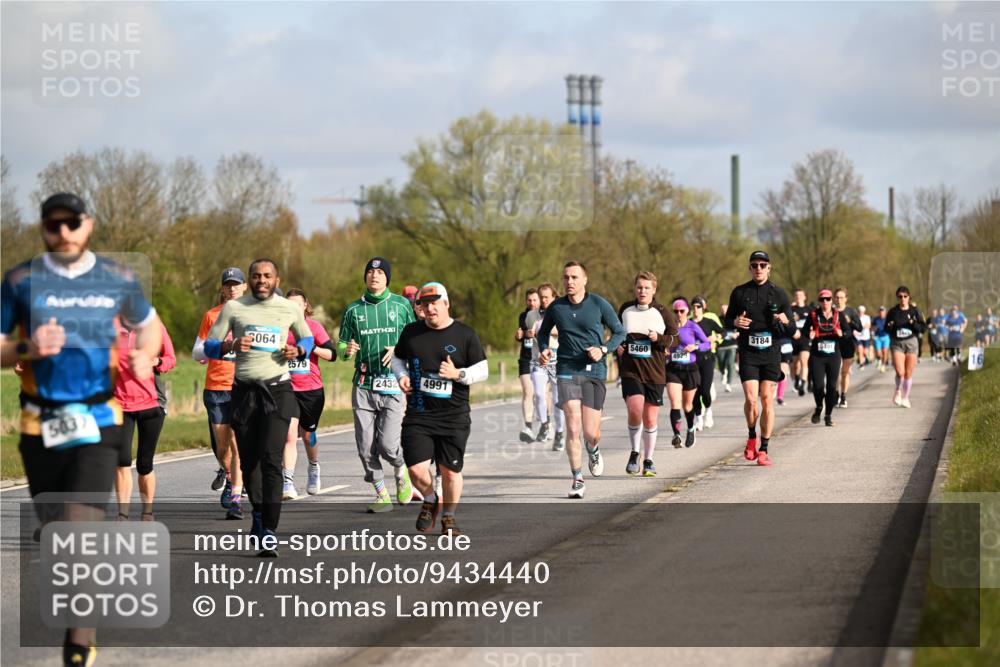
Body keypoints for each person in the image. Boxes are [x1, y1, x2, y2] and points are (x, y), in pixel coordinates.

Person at [1, 192, 162, 666]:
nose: (64, 232)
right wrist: (27, 348)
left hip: (99, 419)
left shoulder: (117, 279)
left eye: (72, 222)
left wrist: (145, 357)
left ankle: (78, 644)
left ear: (87, 224)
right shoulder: (19, 281)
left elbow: (149, 326)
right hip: (39, 424)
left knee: (77, 534)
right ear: (43, 229)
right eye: (54, 225)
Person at [204, 258, 314, 557]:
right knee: (250, 461)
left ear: (276, 279)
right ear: (249, 280)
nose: (261, 280)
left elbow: (308, 336)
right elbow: (208, 346)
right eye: (256, 276)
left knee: (271, 458)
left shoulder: (289, 308)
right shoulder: (234, 309)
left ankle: (269, 529)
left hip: (278, 391)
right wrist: (230, 346)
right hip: (244, 394)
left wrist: (299, 349)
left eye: (267, 275)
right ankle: (258, 513)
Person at [392, 282, 488, 535]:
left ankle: (449, 516)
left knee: (450, 470)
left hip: (453, 416)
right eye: (425, 304)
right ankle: (430, 498)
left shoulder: (464, 335)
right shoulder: (411, 332)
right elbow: (397, 358)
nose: (431, 308)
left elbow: (483, 370)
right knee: (415, 468)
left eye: (436, 303)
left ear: (446, 304)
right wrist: (401, 375)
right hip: (419, 413)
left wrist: (458, 373)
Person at [537, 262, 626, 499]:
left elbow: (620, 332)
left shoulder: (598, 304)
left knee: (590, 432)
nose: (570, 282)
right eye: (566, 277)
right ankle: (577, 478)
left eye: (575, 277)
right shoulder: (557, 307)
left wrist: (603, 349)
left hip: (594, 371)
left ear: (585, 280)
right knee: (573, 426)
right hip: (566, 369)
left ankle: (593, 448)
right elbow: (542, 333)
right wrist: (544, 349)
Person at [339, 257, 419, 513]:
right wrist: (347, 349)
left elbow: (415, 340)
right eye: (370, 272)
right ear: (365, 277)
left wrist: (398, 349)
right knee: (364, 446)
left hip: (394, 384)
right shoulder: (353, 310)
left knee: (387, 445)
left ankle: (401, 467)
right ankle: (381, 493)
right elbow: (341, 345)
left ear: (387, 278)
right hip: (363, 384)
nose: (374, 276)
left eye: (380, 272)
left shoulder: (401, 304)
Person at [723, 250, 792, 467]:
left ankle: (764, 449)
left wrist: (784, 320)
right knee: (752, 399)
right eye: (754, 265)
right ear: (749, 268)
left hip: (771, 353)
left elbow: (792, 328)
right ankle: (752, 436)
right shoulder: (739, 292)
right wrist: (735, 323)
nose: (759, 269)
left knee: (766, 399)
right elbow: (726, 321)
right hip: (749, 353)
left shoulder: (779, 294)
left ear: (769, 268)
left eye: (763, 265)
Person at [192, 268, 247, 519]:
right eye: (228, 285)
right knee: (222, 446)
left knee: (237, 443)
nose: (233, 288)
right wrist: (219, 348)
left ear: (245, 287)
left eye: (237, 284)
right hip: (216, 388)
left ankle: (236, 496)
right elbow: (197, 353)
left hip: (242, 386)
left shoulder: (253, 314)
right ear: (223, 289)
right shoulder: (211, 316)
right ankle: (227, 474)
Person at [617, 272, 678, 476]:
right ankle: (635, 452)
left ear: (654, 290)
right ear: (635, 288)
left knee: (650, 419)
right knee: (635, 409)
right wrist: (618, 346)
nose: (642, 291)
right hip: (631, 370)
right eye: (639, 287)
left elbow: (675, 340)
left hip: (654, 372)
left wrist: (658, 338)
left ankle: (648, 460)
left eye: (646, 288)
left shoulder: (662, 311)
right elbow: (617, 334)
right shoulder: (626, 309)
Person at [114, 320, 176, 520]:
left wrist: (156, 362)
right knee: (121, 461)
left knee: (144, 464)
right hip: (120, 405)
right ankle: (122, 515)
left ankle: (147, 513)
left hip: (151, 404)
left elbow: (171, 359)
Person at [281, 289, 335, 499]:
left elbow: (332, 354)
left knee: (307, 435)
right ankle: (288, 482)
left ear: (305, 306)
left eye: (297, 304)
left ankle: (313, 466)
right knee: (289, 434)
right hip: (287, 388)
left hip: (311, 389)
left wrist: (310, 348)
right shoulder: (280, 327)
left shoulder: (314, 327)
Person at [666, 298, 711, 448]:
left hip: (690, 369)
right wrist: (664, 349)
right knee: (675, 403)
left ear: (687, 311)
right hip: (673, 369)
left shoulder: (693, 326)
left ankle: (691, 428)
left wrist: (695, 347)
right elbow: (661, 341)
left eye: (682, 311)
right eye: (676, 311)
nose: (679, 314)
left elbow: (707, 344)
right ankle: (677, 434)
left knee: (687, 406)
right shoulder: (669, 327)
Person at [528, 283, 565, 448]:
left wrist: (546, 330)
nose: (543, 300)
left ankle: (559, 433)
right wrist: (527, 333)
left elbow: (564, 331)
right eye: (541, 297)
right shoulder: (531, 315)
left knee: (558, 400)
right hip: (538, 361)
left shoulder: (561, 313)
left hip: (557, 362)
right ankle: (544, 423)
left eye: (546, 297)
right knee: (538, 394)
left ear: (554, 297)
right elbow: (527, 331)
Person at [806, 289, 845, 426]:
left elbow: (848, 332)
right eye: (822, 300)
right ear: (819, 301)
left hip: (834, 355)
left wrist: (841, 333)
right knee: (818, 386)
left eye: (828, 299)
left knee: (832, 387)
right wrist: (810, 333)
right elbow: (804, 332)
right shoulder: (813, 315)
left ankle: (828, 415)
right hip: (817, 356)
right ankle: (818, 407)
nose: (825, 302)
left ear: (831, 300)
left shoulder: (839, 315)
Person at [886, 286, 926, 408]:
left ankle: (906, 398)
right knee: (900, 371)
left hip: (911, 343)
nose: (903, 298)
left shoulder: (915, 311)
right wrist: (890, 326)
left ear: (909, 297)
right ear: (898, 298)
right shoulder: (893, 312)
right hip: (897, 343)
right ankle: (898, 390)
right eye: (900, 296)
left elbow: (923, 328)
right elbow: (886, 328)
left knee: (908, 373)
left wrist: (913, 323)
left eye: (905, 296)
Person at [691, 296, 723, 429]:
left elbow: (723, 332)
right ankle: (698, 418)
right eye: (693, 307)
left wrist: (715, 337)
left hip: (707, 359)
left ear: (703, 308)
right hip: (692, 360)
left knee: (705, 390)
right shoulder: (688, 323)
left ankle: (708, 411)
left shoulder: (709, 321)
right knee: (695, 392)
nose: (695, 309)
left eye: (698, 307)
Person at [515, 289, 541, 442]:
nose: (532, 303)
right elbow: (521, 334)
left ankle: (547, 424)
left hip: (542, 359)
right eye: (529, 300)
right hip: (525, 358)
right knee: (528, 391)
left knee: (541, 394)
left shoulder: (546, 316)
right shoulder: (523, 316)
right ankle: (528, 427)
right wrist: (519, 335)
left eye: (535, 300)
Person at [833, 288, 862, 407]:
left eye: (841, 297)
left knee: (844, 372)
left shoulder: (851, 311)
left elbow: (860, 328)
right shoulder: (831, 311)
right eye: (837, 297)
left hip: (848, 343)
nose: (839, 300)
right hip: (834, 344)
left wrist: (851, 322)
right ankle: (835, 395)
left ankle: (843, 396)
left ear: (846, 298)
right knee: (834, 372)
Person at [790, 289, 812, 396]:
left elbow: (814, 322)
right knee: (795, 365)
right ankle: (797, 380)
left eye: (800, 295)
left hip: (805, 339)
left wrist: (813, 331)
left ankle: (803, 384)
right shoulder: (791, 309)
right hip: (794, 339)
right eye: (796, 295)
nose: (798, 297)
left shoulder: (809, 309)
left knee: (804, 361)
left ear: (805, 297)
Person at [716, 303, 738, 392]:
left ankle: (728, 383)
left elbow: (740, 330)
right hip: (721, 346)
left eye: (726, 309)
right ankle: (723, 372)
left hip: (732, 345)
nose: (724, 311)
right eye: (722, 309)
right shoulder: (717, 320)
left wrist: (736, 334)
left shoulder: (734, 318)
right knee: (721, 364)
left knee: (730, 364)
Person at [872, 306, 891, 373]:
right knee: (879, 353)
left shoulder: (888, 319)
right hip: (878, 337)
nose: (881, 312)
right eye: (880, 311)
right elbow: (872, 327)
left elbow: (891, 327)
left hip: (886, 336)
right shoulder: (875, 319)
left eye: (883, 311)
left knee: (885, 351)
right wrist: (874, 329)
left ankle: (883, 365)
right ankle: (879, 360)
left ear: (885, 312)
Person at [854, 305, 872, 369]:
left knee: (865, 352)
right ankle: (862, 365)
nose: (860, 312)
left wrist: (861, 327)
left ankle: (866, 358)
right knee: (860, 350)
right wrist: (854, 331)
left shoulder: (867, 317)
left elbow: (868, 326)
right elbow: (854, 326)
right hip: (858, 337)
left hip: (866, 337)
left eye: (862, 311)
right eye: (859, 311)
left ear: (864, 311)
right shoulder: (855, 318)